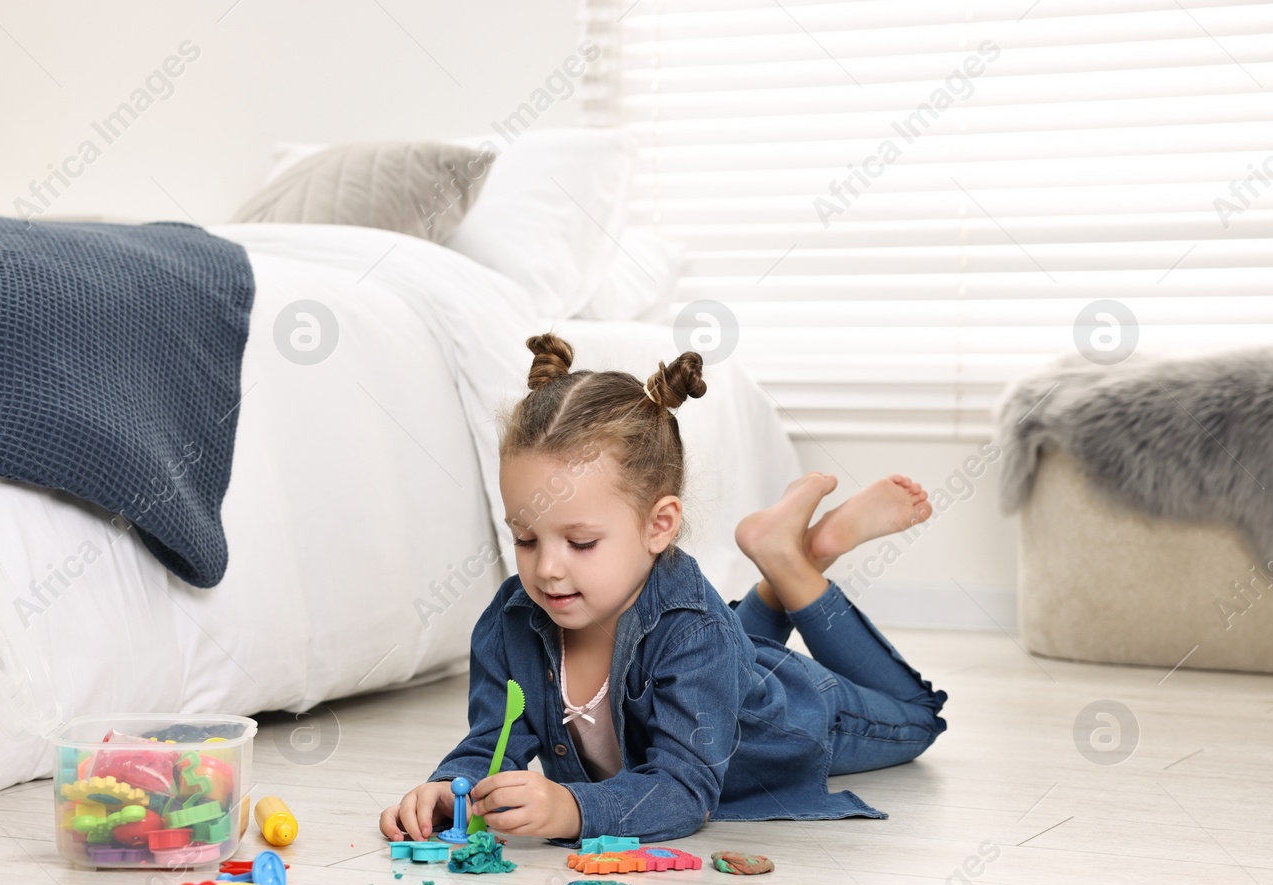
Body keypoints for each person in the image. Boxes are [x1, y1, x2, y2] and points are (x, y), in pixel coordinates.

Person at [377, 333, 948, 845]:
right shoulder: (513, 621)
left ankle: (794, 567)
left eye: (580, 543)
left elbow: (683, 789)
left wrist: (573, 808)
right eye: (525, 538)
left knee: (918, 716)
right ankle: (784, 564)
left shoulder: (694, 630)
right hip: (711, 653)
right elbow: (490, 739)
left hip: (792, 709)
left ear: (659, 526)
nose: (547, 568)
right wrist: (449, 789)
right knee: (706, 644)